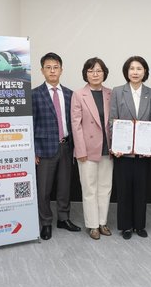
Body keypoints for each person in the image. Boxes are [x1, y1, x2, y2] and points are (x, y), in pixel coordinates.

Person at [32, 52, 81, 240]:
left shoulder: (70, 94)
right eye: (48, 67)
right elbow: (31, 124)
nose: (52, 71)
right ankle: (46, 222)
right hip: (44, 149)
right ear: (42, 70)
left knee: (64, 186)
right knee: (44, 189)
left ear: (61, 69)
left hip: (66, 146)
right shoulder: (35, 94)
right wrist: (33, 150)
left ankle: (63, 218)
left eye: (55, 67)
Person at [109, 56, 151, 240]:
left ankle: (139, 225)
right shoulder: (117, 91)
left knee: (141, 190)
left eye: (139, 68)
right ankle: (126, 226)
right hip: (123, 152)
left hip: (143, 152)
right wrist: (115, 145)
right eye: (132, 68)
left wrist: (150, 146)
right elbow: (112, 120)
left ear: (145, 72)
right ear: (126, 72)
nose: (135, 72)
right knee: (124, 190)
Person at [71, 57, 113, 240]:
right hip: (87, 150)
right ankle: (93, 225)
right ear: (85, 74)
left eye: (98, 70)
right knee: (89, 189)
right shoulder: (79, 94)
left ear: (104, 73)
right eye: (91, 70)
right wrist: (80, 150)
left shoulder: (111, 93)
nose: (95, 74)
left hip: (107, 148)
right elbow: (76, 125)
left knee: (105, 187)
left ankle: (102, 222)